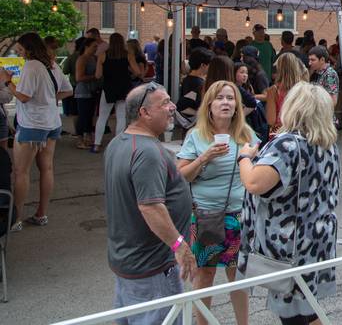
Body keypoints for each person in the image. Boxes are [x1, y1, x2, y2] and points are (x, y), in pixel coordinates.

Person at [237, 82, 339, 325]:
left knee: (296, 315)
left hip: (290, 243)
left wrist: (244, 158)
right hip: (317, 238)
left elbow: (254, 182)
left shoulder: (288, 145)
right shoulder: (327, 144)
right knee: (305, 311)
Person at [104, 83, 195, 323]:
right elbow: (150, 206)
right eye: (164, 103)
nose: (172, 107)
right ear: (144, 113)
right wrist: (180, 246)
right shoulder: (147, 153)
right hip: (152, 269)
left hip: (132, 263)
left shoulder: (118, 143)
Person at [177, 80, 258, 325]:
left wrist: (252, 157)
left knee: (238, 276)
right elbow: (182, 175)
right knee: (205, 274)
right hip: (205, 216)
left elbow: (257, 170)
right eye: (220, 98)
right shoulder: (196, 136)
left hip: (239, 215)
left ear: (237, 106)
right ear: (209, 104)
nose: (226, 102)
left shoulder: (246, 134)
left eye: (230, 98)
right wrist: (205, 157)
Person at [2, 33, 73, 232]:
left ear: (30, 49)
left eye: (21, 49)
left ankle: (15, 219)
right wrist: (49, 100)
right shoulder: (51, 65)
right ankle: (41, 214)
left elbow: (23, 97)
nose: (18, 52)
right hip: (51, 123)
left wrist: (7, 81)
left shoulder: (31, 66)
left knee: (20, 172)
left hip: (32, 124)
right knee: (47, 169)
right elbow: (68, 91)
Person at [93, 33, 140, 152]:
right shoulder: (128, 55)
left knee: (102, 116)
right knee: (121, 117)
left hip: (108, 88)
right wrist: (129, 72)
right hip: (124, 88)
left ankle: (96, 144)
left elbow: (98, 75)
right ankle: (117, 145)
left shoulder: (103, 55)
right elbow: (138, 72)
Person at [265, 53, 308, 141]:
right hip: (301, 133)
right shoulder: (305, 89)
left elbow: (271, 120)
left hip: (280, 135)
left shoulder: (273, 91)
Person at [73, 37, 99, 149]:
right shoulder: (82, 59)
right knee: (83, 115)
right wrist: (95, 76)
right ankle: (80, 139)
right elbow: (79, 77)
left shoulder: (93, 58)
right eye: (94, 46)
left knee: (89, 115)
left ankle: (87, 137)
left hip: (92, 90)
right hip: (83, 91)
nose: (96, 49)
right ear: (86, 46)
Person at [177, 48, 213, 126]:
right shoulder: (197, 84)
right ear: (203, 65)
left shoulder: (188, 79)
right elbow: (182, 107)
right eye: (210, 65)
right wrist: (202, 114)